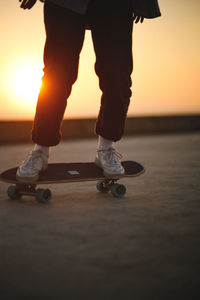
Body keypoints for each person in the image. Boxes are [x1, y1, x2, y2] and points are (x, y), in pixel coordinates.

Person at [17, 0, 161, 182]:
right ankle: (40, 152)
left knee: (117, 75)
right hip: (64, 3)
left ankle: (105, 149)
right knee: (56, 75)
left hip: (115, 5)